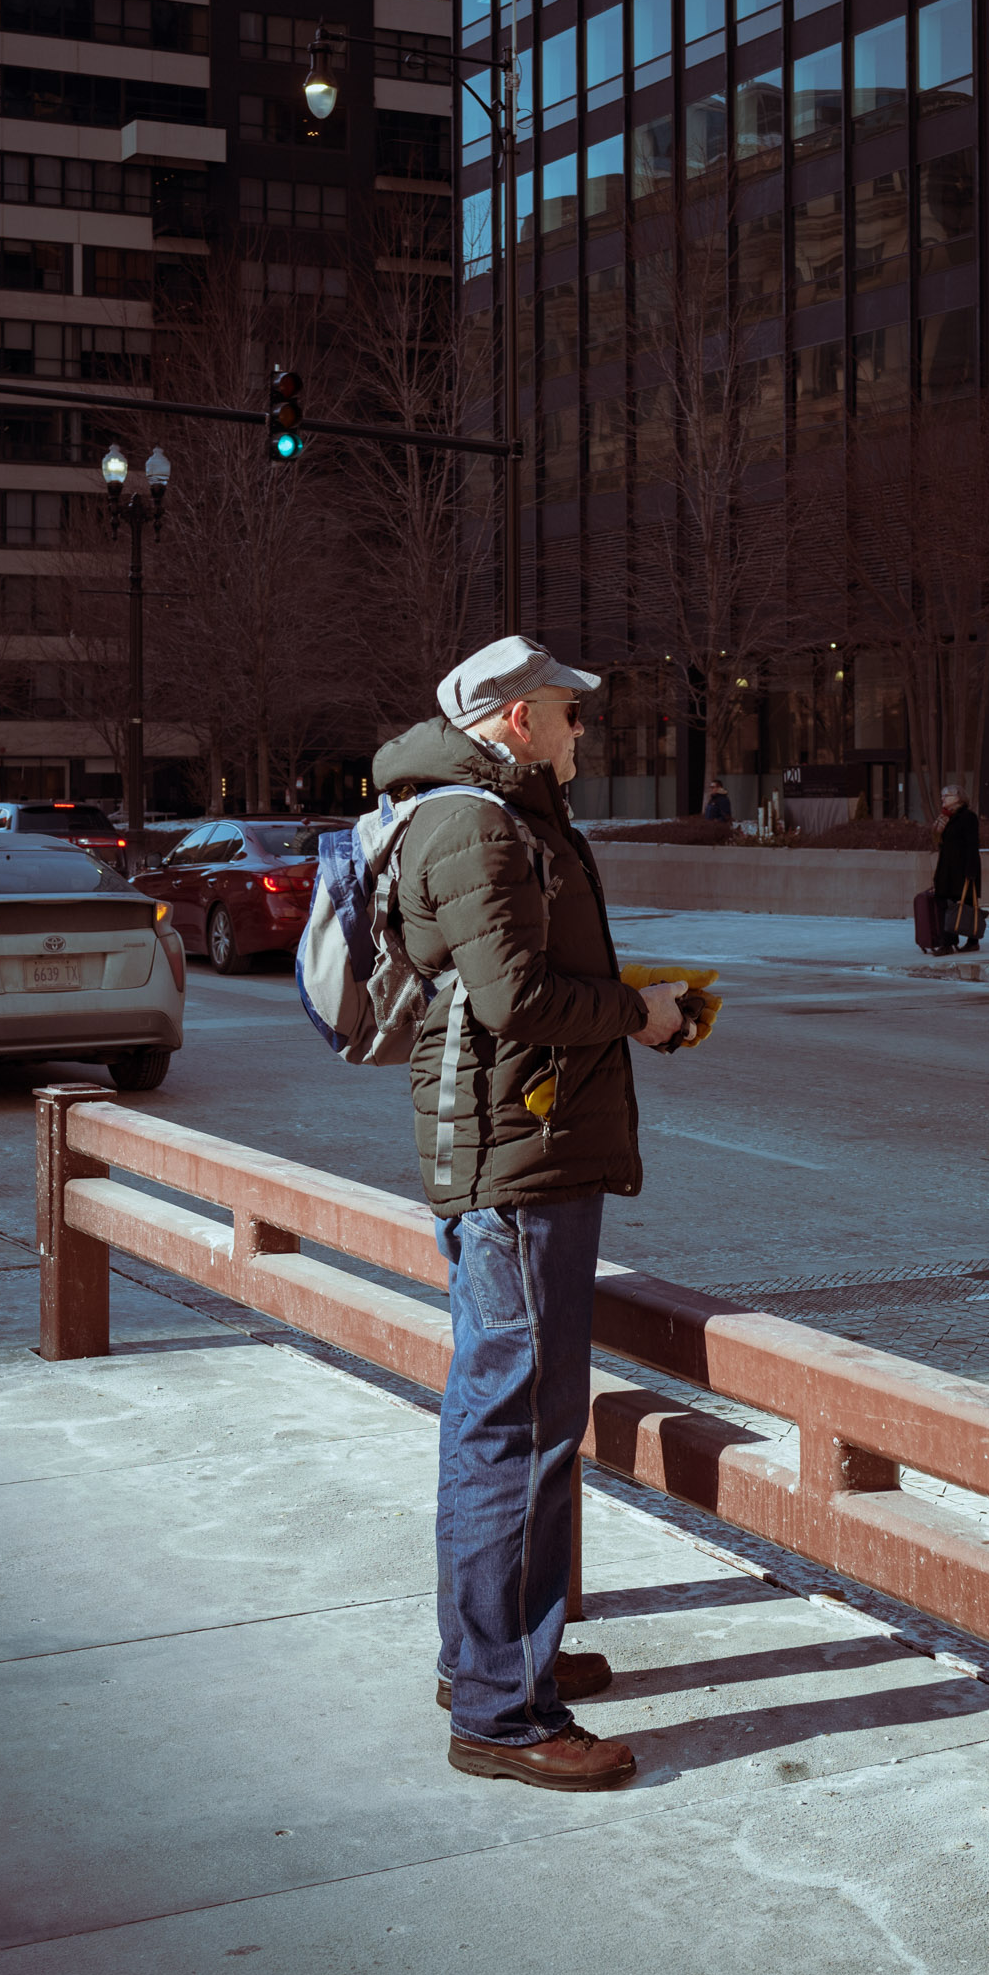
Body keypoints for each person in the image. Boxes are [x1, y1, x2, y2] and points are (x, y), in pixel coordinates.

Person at [373, 636, 687, 1792]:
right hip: (517, 1163)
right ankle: (503, 1713)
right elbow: (517, 999)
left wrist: (631, 1001)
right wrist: (637, 1012)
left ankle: (494, 1658)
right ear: (513, 718)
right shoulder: (477, 825)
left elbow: (518, 972)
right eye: (565, 709)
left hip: (528, 1148)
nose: (578, 728)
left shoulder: (512, 816)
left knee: (513, 1417)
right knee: (516, 1425)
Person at [931, 782, 982, 954]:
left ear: (958, 798)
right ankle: (950, 942)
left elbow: (972, 845)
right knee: (948, 905)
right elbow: (941, 845)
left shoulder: (968, 817)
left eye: (947, 796)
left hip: (962, 869)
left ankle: (969, 940)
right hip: (947, 870)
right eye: (942, 796)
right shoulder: (946, 818)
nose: (943, 799)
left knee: (965, 904)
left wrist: (971, 871)